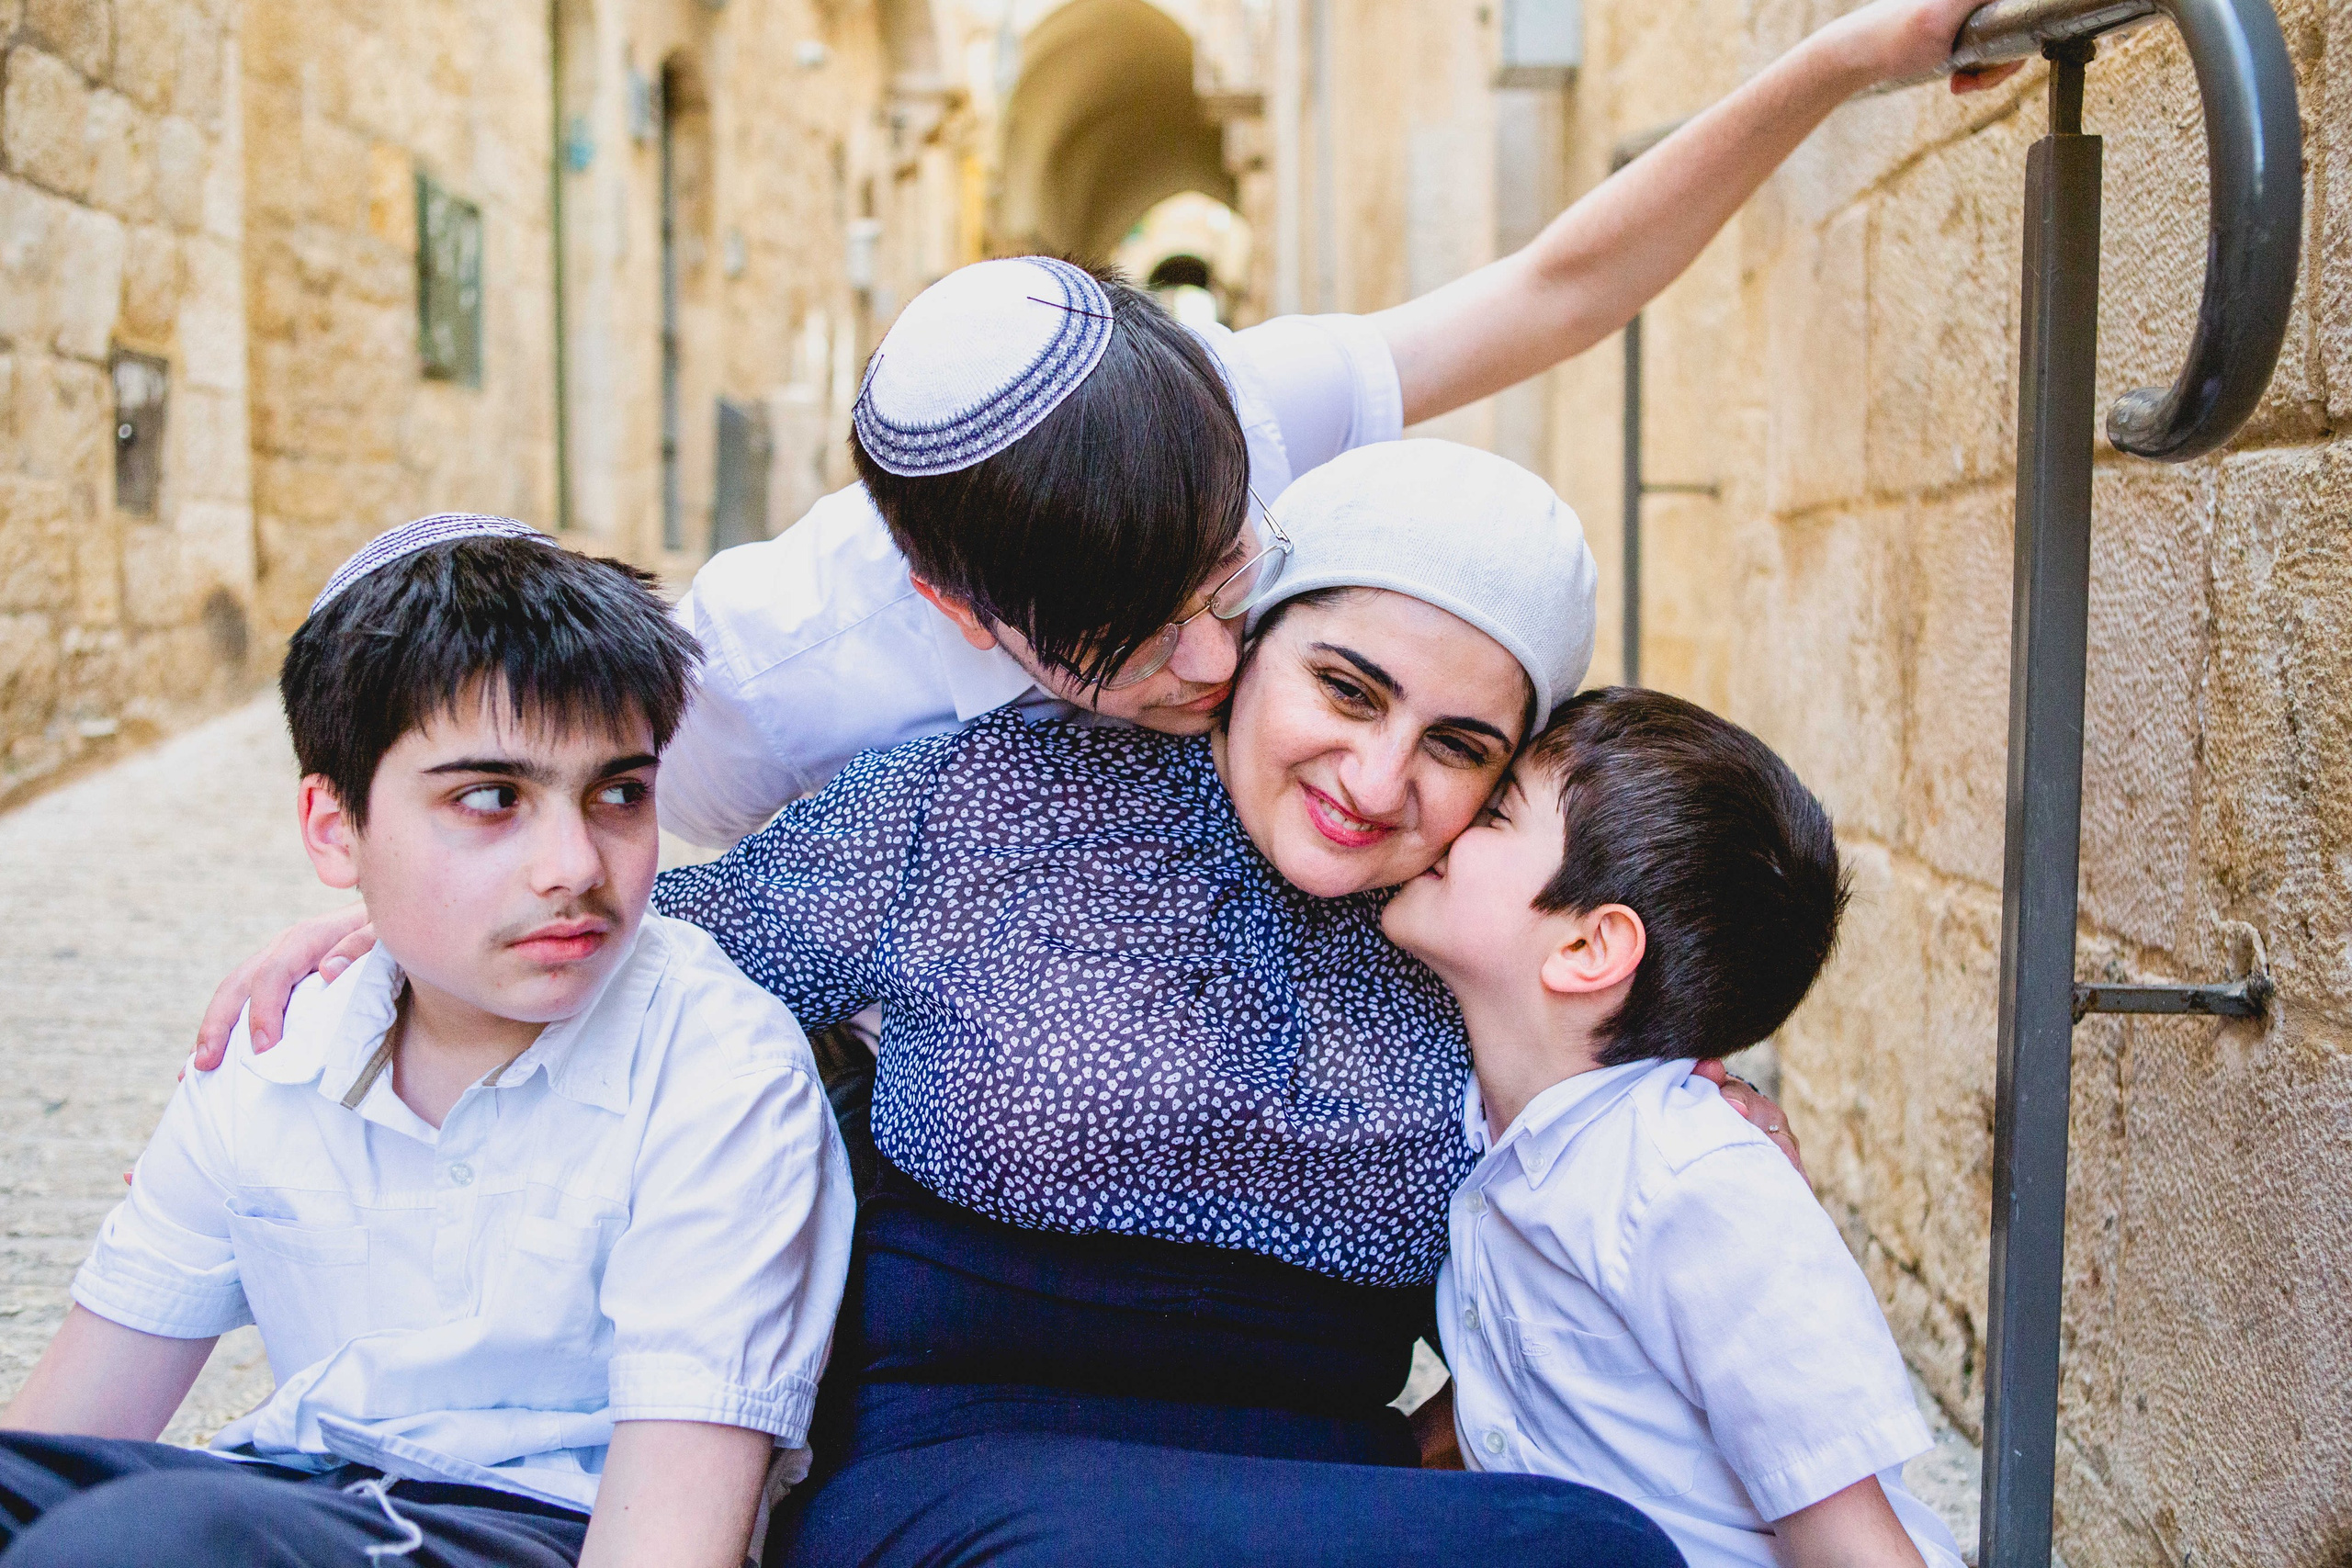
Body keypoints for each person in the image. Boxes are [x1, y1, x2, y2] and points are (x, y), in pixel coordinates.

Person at [193, 0, 2018, 1056]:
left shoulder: (1239, 402)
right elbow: (486, 735)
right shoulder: (771, 664)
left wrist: (1837, 62)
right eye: (1137, 642)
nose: (1216, 662)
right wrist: (375, 922)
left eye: (1225, 589)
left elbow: (1560, 280)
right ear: (947, 602)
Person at [638, 441, 1684, 1566]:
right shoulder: (987, 800)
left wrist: (1676, 1113)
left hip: (1327, 1496)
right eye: (1345, 689)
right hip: (967, 1470)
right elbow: (649, 968)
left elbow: (1574, 1227)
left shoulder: (1484, 933)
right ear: (1248, 644)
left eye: (1456, 746)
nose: (1377, 782)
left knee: (1597, 1548)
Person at [0, 519, 855, 1568]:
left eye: (619, 794)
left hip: (523, 1527)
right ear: (334, 828)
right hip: (294, 1494)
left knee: (148, 1544)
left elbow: (669, 1540)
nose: (572, 865)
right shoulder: (280, 1043)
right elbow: (63, 1433)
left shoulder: (714, 1068)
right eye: (491, 799)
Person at [1380, 687, 1965, 1568]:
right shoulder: (1494, 1126)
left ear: (1587, 948)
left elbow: (1852, 1541)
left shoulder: (1691, 1180)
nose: (1450, 815)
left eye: (1496, 812)